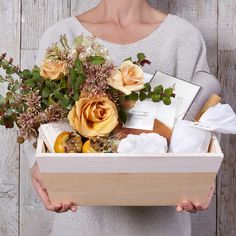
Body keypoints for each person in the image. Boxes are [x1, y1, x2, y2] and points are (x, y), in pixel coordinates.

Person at [31, 0, 215, 235]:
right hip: (81, 225)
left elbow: (202, 135)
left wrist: (201, 177)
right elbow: (42, 133)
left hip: (161, 226)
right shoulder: (62, 36)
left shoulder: (183, 39)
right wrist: (38, 167)